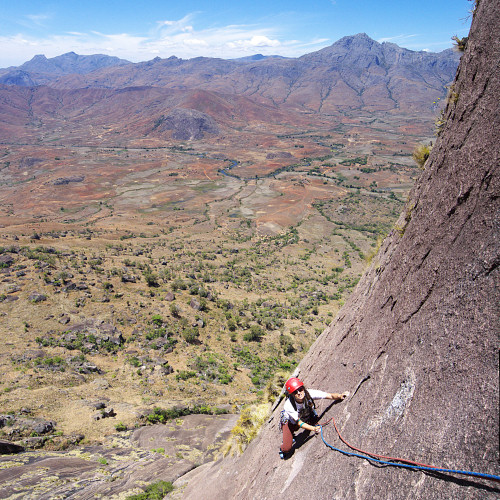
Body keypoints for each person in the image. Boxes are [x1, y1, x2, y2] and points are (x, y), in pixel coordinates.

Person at [279, 377, 349, 459]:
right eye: (295, 392)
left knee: (314, 419)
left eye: (300, 389)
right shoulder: (288, 405)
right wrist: (313, 429)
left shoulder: (309, 393)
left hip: (303, 416)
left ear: (303, 388)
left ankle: (292, 435)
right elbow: (299, 423)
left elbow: (328, 395)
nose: (299, 393)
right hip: (290, 422)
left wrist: (340, 396)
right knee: (287, 448)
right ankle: (283, 446)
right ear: (291, 394)